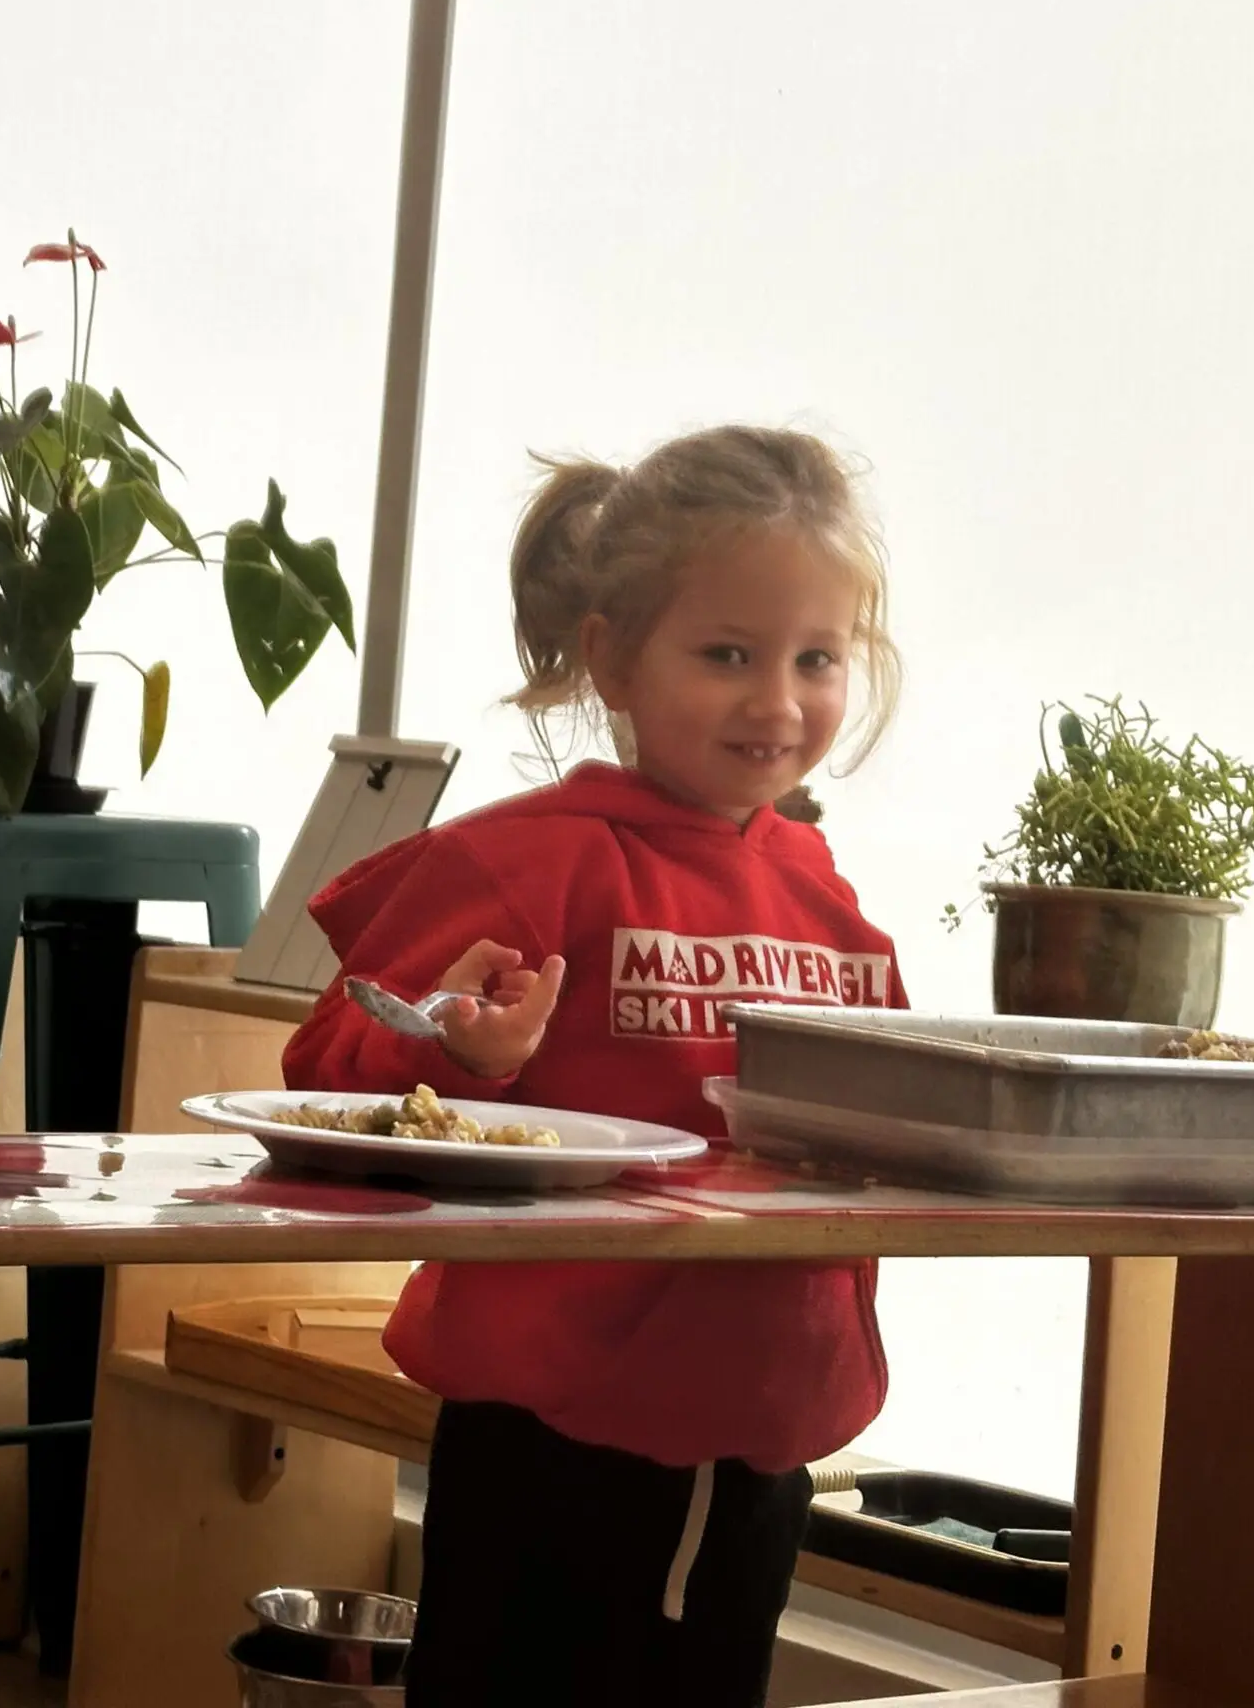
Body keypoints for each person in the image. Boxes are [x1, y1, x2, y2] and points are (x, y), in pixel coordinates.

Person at [280, 423, 907, 1707]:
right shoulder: (529, 859)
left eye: (816, 660)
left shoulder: (827, 893)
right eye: (727, 654)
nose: (778, 702)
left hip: (760, 1438)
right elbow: (326, 1070)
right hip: (553, 1437)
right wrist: (451, 1049)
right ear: (613, 656)